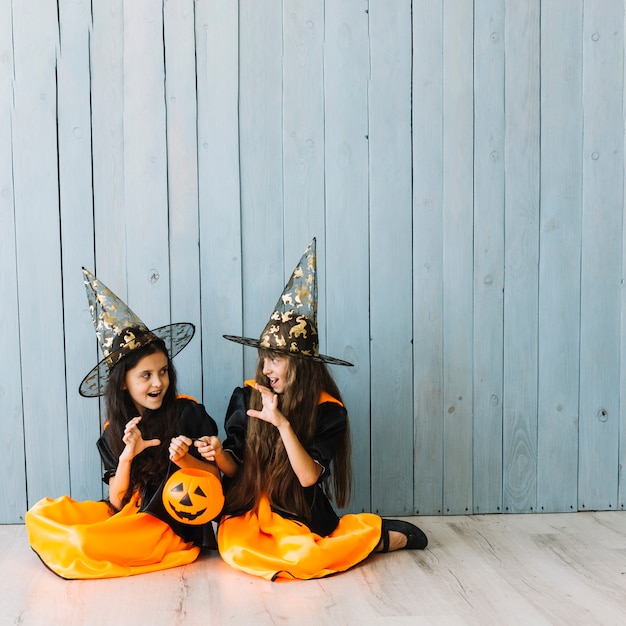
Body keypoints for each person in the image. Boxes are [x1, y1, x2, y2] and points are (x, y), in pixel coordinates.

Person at [196, 239, 427, 581]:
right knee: (235, 551)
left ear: (301, 366)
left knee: (303, 559)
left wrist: (282, 424)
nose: (266, 368)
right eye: (263, 358)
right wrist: (218, 453)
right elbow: (235, 466)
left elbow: (307, 477)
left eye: (275, 359)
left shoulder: (328, 411)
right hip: (247, 509)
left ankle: (373, 536)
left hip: (296, 509)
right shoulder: (247, 397)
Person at [25, 268, 222, 579]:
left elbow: (216, 479)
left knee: (82, 540)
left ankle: (98, 544)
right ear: (122, 384)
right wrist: (128, 455)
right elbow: (117, 501)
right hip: (128, 510)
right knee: (43, 514)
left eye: (163, 371)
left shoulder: (188, 413)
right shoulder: (113, 429)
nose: (159, 383)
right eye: (146, 375)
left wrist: (185, 460)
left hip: (166, 522)